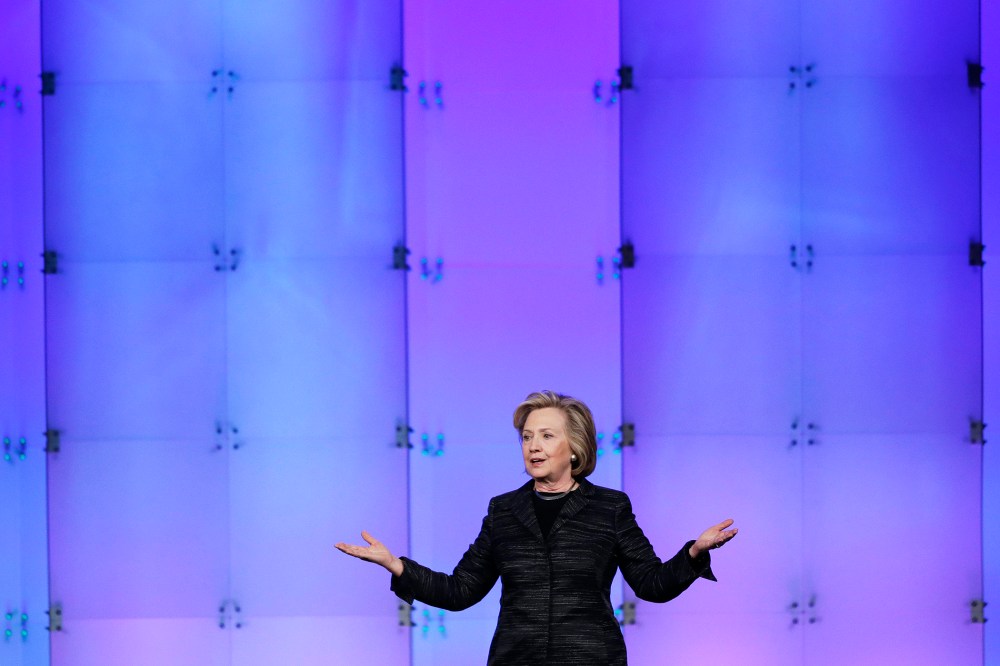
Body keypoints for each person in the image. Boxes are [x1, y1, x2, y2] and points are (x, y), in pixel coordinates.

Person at [336, 390, 737, 665]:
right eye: (527, 437)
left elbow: (652, 584)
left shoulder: (610, 508)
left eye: (547, 435)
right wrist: (398, 566)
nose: (533, 446)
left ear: (575, 447)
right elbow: (461, 590)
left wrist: (693, 554)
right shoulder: (503, 511)